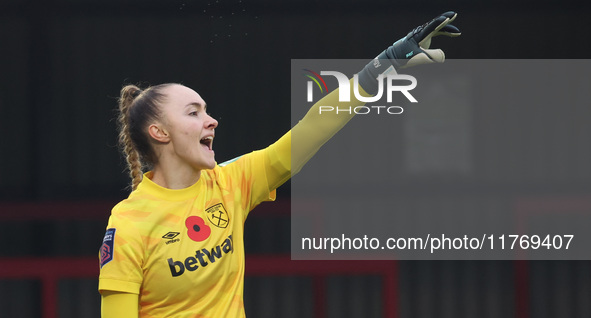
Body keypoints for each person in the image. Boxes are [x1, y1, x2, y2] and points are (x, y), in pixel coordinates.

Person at [98, 12, 460, 318]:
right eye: (194, 113)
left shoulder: (230, 183)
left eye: (207, 111)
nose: (212, 121)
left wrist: (383, 64)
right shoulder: (129, 225)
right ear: (159, 132)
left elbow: (313, 128)